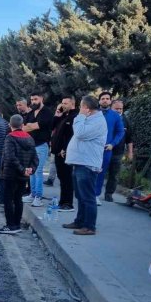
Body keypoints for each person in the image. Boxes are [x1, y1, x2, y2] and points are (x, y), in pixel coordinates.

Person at [62, 96, 107, 236]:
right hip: (80, 162)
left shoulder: (98, 121)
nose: (79, 110)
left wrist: (80, 116)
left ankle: (89, 226)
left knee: (88, 197)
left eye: (81, 107)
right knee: (81, 196)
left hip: (87, 164)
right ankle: (80, 221)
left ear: (87, 108)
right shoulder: (90, 119)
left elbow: (80, 133)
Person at [0, 114, 38, 234]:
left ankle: (10, 225)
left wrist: (21, 169)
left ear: (10, 125)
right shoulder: (29, 138)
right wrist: (30, 169)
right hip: (23, 175)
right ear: (22, 125)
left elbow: (10, 157)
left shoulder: (10, 137)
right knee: (18, 199)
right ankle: (17, 224)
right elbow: (35, 157)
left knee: (8, 200)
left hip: (10, 174)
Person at [22, 92, 54, 207]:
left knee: (38, 171)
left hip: (41, 145)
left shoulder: (47, 112)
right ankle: (32, 194)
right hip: (30, 146)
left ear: (41, 98)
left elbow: (37, 126)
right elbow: (24, 128)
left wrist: (31, 126)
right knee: (31, 171)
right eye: (31, 99)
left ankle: (38, 197)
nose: (33, 101)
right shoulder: (30, 112)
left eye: (35, 99)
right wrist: (32, 125)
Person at [94, 92, 125, 205]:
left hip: (106, 149)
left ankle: (96, 195)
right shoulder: (93, 112)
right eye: (103, 98)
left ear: (110, 101)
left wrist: (113, 143)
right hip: (91, 148)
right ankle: (85, 193)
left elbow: (120, 131)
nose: (105, 100)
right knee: (88, 171)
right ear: (99, 101)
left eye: (107, 98)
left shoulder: (115, 115)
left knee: (100, 173)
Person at [50, 96, 77, 212]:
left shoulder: (74, 116)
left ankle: (68, 203)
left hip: (65, 152)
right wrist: (57, 115)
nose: (63, 105)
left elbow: (73, 136)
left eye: (66, 103)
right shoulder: (63, 116)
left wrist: (65, 148)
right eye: (62, 103)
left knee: (67, 178)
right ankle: (62, 201)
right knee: (61, 178)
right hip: (57, 152)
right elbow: (51, 127)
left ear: (72, 104)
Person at [104, 99, 134, 201]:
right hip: (104, 150)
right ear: (111, 108)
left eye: (121, 108)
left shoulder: (126, 121)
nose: (119, 110)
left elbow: (129, 139)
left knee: (114, 174)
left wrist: (130, 152)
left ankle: (109, 194)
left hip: (117, 152)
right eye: (116, 108)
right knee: (99, 172)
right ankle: (93, 192)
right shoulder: (104, 117)